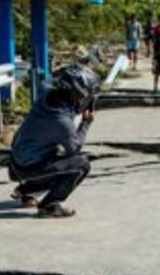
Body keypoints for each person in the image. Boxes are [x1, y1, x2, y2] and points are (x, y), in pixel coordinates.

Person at [7, 64, 99, 219]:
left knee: (56, 153)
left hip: (16, 161)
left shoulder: (47, 93)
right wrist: (85, 123)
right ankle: (49, 206)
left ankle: (27, 189)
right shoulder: (60, 121)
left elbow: (69, 104)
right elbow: (74, 148)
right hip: (28, 168)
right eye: (84, 95)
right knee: (80, 165)